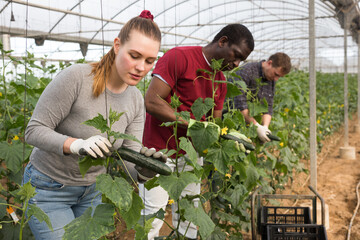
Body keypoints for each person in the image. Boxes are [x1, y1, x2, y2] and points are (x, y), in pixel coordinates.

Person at [23, 10, 162, 240]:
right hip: (48, 188)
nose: (141, 67)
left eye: (149, 61)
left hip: (92, 192)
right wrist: (76, 145)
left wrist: (144, 171)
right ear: (117, 45)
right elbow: (33, 131)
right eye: (134, 55)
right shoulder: (77, 78)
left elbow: (129, 158)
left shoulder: (136, 99)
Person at [139, 24, 254, 239]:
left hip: (190, 156)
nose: (236, 64)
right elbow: (152, 101)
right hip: (159, 151)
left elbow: (214, 125)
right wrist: (192, 123)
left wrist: (232, 140)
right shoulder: (179, 57)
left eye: (241, 61)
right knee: (152, 218)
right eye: (236, 55)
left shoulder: (220, 80)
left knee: (189, 217)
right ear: (222, 41)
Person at [229, 52, 291, 142]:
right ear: (269, 63)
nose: (276, 79)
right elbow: (239, 104)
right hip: (233, 122)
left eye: (279, 77)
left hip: (250, 127)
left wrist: (265, 126)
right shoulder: (247, 71)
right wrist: (257, 126)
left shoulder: (270, 78)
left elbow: (268, 106)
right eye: (276, 74)